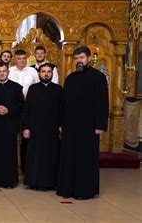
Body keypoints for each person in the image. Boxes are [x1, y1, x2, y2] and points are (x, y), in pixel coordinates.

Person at [57, 46, 108, 200]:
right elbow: (64, 103)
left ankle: (84, 191)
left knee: (85, 158)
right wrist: (61, 123)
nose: (79, 61)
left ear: (89, 58)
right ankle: (68, 188)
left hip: (89, 126)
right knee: (69, 156)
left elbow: (102, 103)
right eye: (77, 58)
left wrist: (100, 125)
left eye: (82, 58)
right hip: (70, 126)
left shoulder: (98, 77)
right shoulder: (70, 78)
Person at [22, 63, 63, 191]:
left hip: (52, 128)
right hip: (35, 128)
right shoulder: (33, 89)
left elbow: (62, 110)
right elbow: (27, 109)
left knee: (51, 156)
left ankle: (50, 182)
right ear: (39, 73)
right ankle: (34, 181)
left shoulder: (58, 89)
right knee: (35, 155)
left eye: (48, 71)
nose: (46, 74)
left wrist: (61, 126)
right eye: (43, 71)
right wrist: (26, 127)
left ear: (52, 74)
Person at [9, 49, 39, 172]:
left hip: (28, 107)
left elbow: (38, 88)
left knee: (26, 136)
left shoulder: (33, 71)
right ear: (15, 59)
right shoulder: (9, 71)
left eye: (24, 58)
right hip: (12, 108)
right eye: (19, 58)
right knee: (12, 136)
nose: (22, 61)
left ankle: (25, 167)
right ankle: (12, 166)